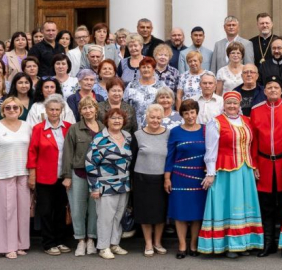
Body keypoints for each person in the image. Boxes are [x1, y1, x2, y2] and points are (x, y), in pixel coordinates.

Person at [198, 91, 264, 257]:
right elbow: (211, 149)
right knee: (229, 205)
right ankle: (228, 244)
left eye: (235, 103)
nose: (232, 106)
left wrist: (254, 165)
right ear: (224, 105)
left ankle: (244, 241)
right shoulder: (216, 122)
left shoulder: (247, 121)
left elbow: (252, 146)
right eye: (229, 103)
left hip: (245, 169)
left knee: (244, 206)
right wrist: (211, 173)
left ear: (239, 105)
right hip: (226, 170)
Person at [250, 78, 282, 257]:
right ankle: (268, 242)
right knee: (266, 205)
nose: (272, 90)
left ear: (281, 91)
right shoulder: (256, 110)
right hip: (264, 163)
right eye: (269, 87)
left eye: (276, 87)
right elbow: (253, 140)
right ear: (264, 91)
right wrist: (254, 163)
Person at [0, 97, 32, 259]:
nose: (12, 110)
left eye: (15, 108)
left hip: (22, 174)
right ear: (3, 110)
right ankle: (7, 246)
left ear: (20, 110)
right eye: (8, 108)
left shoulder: (27, 127)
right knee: (5, 211)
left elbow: (32, 152)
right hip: (2, 174)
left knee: (23, 212)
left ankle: (20, 244)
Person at [26, 95, 72, 255]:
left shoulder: (68, 127)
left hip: (63, 176)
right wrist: (32, 174)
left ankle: (60, 240)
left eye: (57, 109)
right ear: (45, 110)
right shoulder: (38, 128)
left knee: (60, 209)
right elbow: (32, 152)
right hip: (44, 176)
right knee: (45, 211)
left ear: (61, 111)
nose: (54, 112)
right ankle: (48, 243)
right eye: (51, 109)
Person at [87, 108, 133, 259]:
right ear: (107, 120)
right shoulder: (100, 139)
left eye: (119, 118)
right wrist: (94, 187)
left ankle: (114, 243)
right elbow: (90, 164)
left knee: (118, 216)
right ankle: (103, 246)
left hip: (123, 184)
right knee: (105, 217)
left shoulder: (127, 137)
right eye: (113, 118)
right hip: (105, 184)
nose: (117, 121)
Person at [165, 100, 208, 258]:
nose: (190, 116)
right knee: (180, 212)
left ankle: (193, 244)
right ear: (181, 115)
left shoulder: (206, 130)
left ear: (197, 113)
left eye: (192, 112)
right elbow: (170, 156)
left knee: (197, 213)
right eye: (186, 113)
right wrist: (167, 178)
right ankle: (182, 245)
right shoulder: (175, 132)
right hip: (180, 177)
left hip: (200, 177)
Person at [60, 95, 102, 256]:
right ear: (80, 111)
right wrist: (67, 176)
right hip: (78, 173)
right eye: (84, 108)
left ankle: (91, 239)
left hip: (97, 176)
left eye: (91, 107)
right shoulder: (74, 128)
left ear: (96, 109)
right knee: (77, 209)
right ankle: (80, 240)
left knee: (94, 209)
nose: (88, 110)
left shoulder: (103, 128)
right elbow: (68, 153)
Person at [130, 104, 171, 257]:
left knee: (160, 213)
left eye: (158, 118)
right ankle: (148, 243)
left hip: (161, 179)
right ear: (146, 117)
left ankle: (157, 242)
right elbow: (132, 159)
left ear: (162, 118)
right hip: (142, 179)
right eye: (152, 117)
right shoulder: (138, 135)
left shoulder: (168, 134)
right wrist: (131, 181)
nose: (155, 120)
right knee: (145, 212)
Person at [123, 56, 160, 129]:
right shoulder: (131, 85)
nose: (146, 70)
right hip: (134, 125)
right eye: (143, 67)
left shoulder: (161, 86)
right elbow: (124, 104)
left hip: (155, 124)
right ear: (140, 69)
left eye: (148, 67)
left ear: (153, 70)